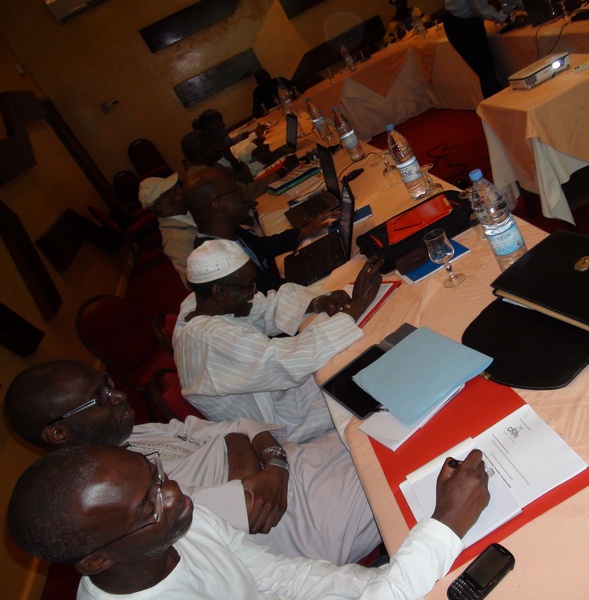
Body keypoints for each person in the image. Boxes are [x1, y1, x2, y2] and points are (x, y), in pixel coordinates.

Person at [4, 360, 382, 564]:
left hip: (303, 463)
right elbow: (251, 505)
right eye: (99, 397)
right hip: (313, 518)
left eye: (107, 382)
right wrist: (247, 450)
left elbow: (238, 427)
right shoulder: (109, 502)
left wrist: (269, 463)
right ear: (59, 433)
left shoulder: (132, 434)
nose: (117, 395)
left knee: (383, 391)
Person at [8, 445, 490, 599]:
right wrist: (443, 526)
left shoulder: (174, 523)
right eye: (148, 504)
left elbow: (279, 575)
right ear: (97, 560)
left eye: (156, 473)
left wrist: (381, 582)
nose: (173, 493)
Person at [173, 239, 383, 442]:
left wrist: (317, 302)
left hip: (278, 391)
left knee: (363, 347)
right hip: (281, 422)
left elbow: (264, 308)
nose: (254, 292)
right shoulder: (210, 341)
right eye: (249, 286)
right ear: (220, 291)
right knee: (371, 369)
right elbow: (285, 360)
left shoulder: (198, 304)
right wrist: (355, 309)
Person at [184, 166, 336, 293]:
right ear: (217, 204)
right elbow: (262, 300)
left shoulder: (228, 231)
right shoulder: (216, 261)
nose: (243, 196)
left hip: (281, 292)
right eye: (236, 191)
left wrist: (306, 231)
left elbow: (262, 247)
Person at [442, 0, 524, 98]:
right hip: (461, 25)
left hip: (469, 21)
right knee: (486, 73)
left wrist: (520, 7)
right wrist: (508, 18)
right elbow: (481, 10)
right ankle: (501, 103)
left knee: (487, 71)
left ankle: (501, 102)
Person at [138, 174, 196, 288]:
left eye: (178, 187)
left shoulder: (187, 210)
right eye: (174, 193)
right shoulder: (175, 241)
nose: (181, 192)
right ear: (163, 208)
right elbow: (192, 282)